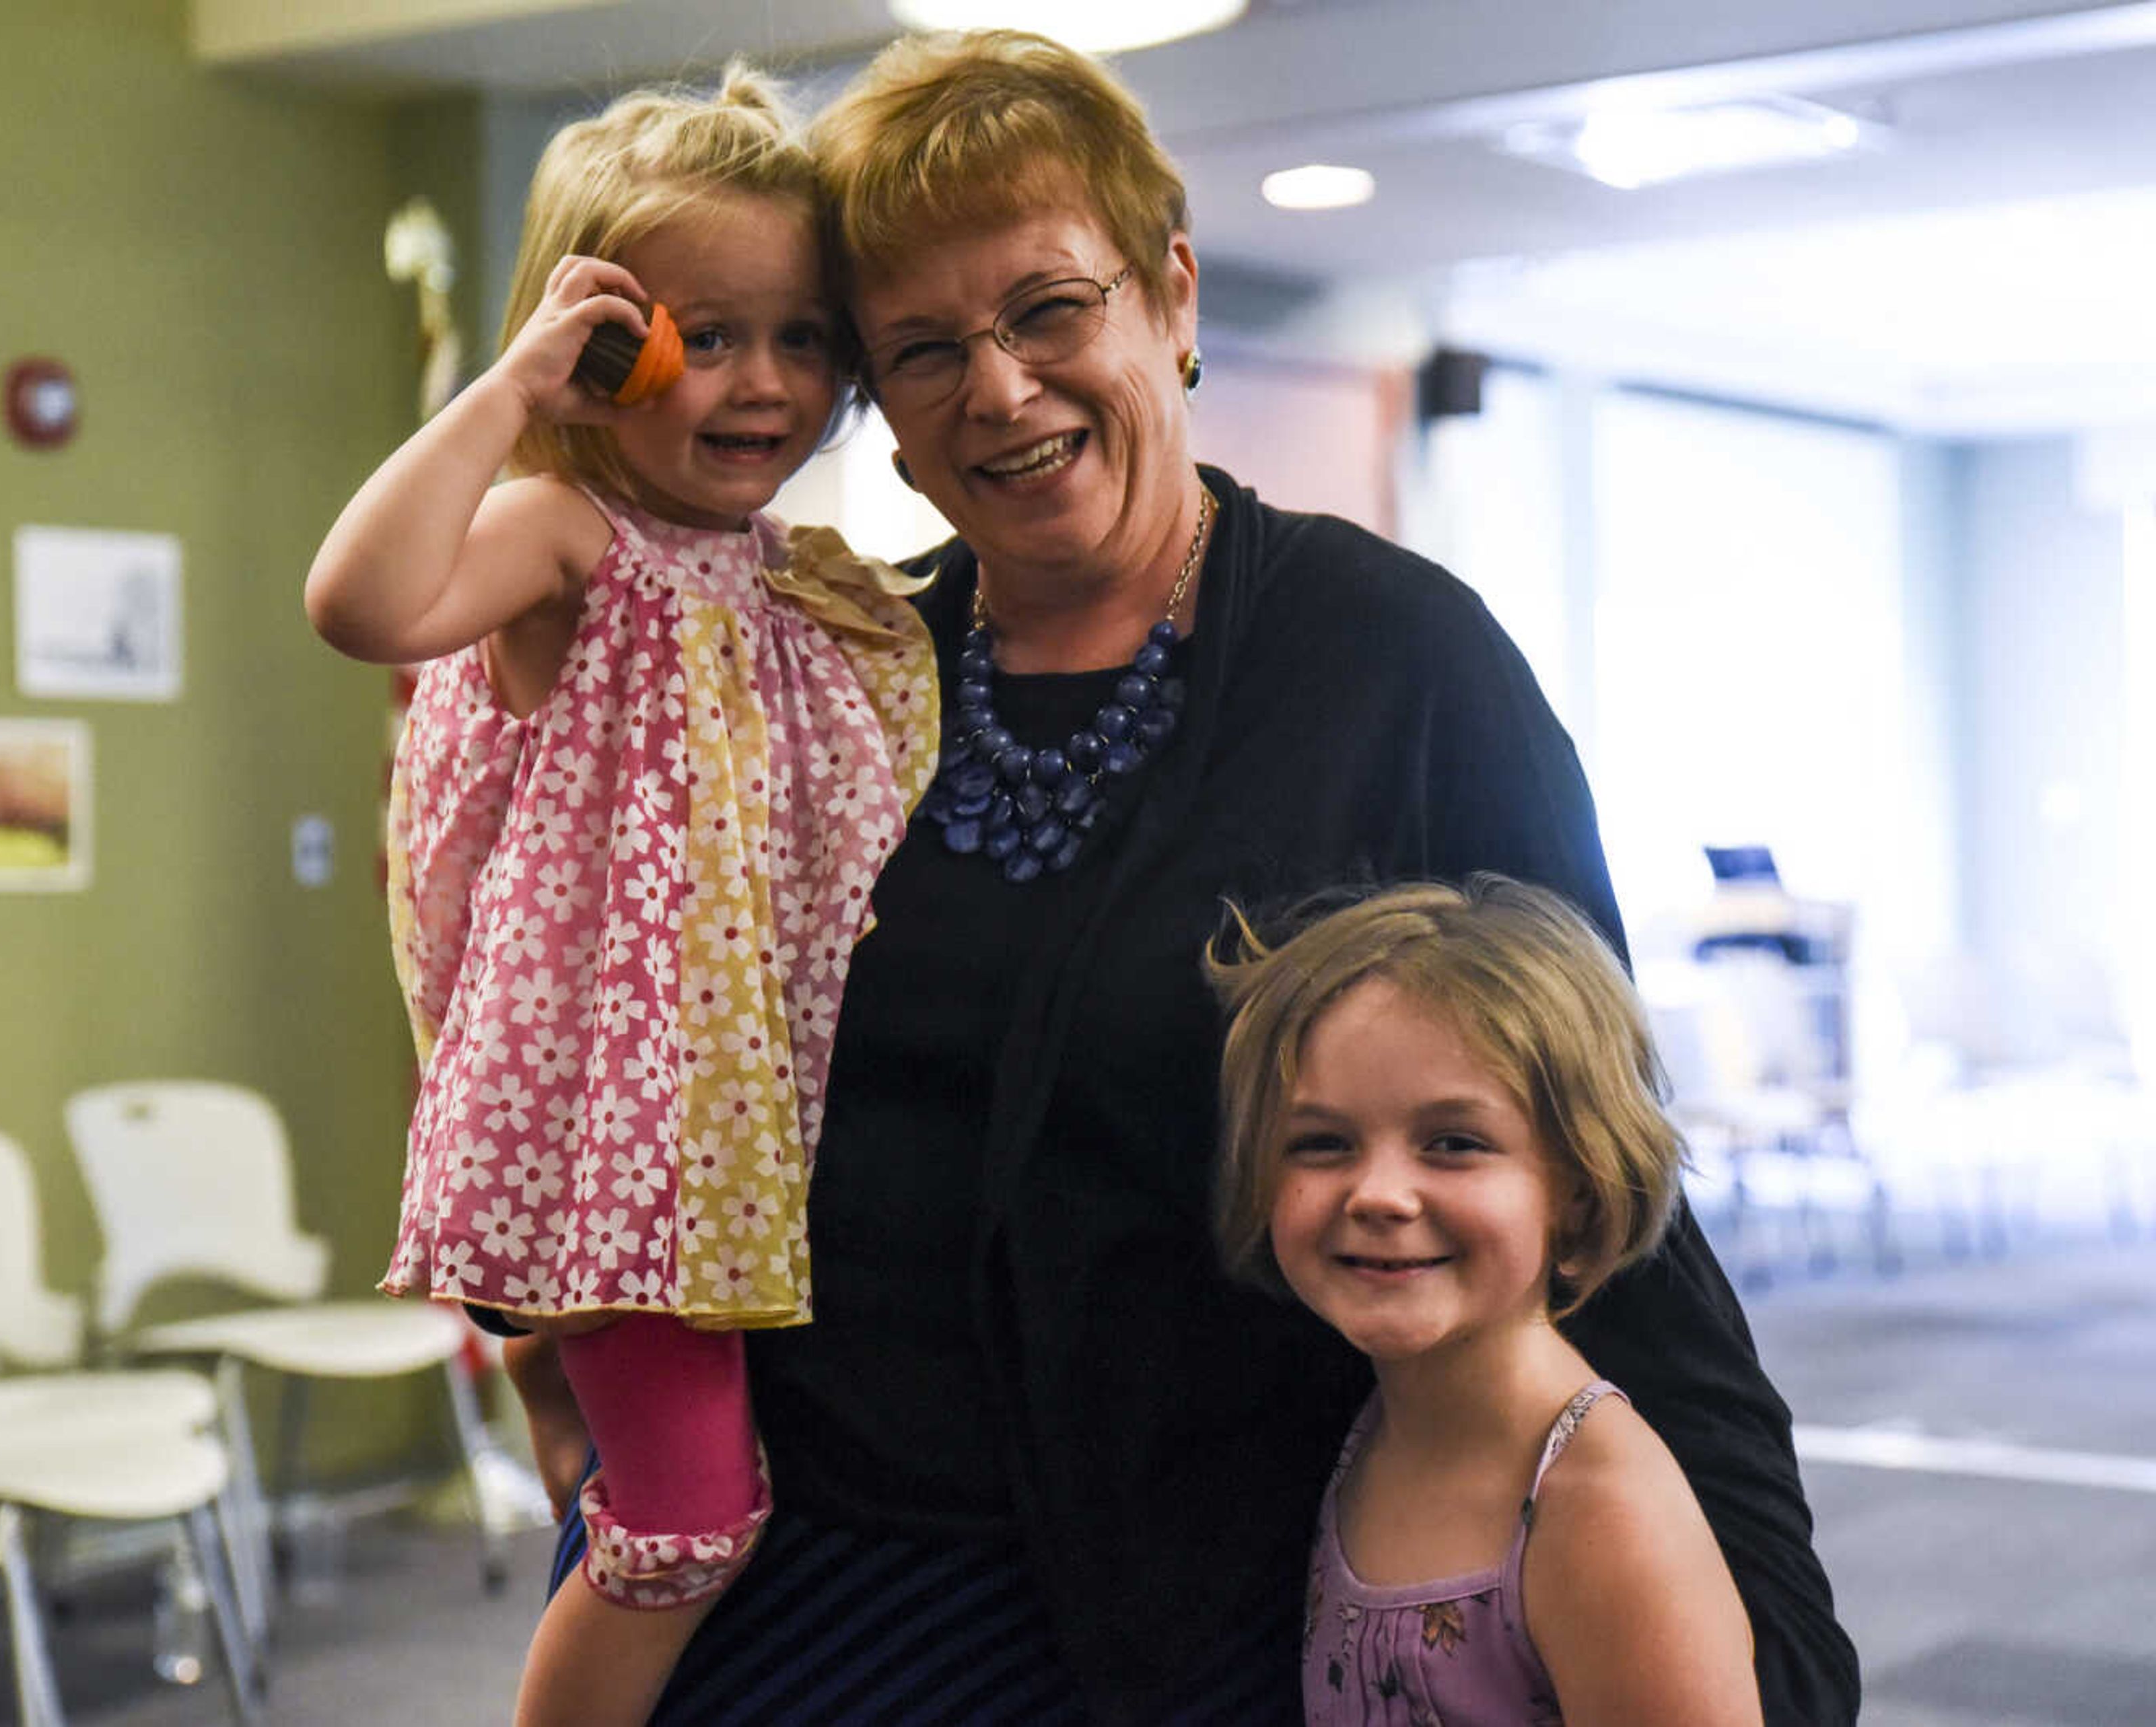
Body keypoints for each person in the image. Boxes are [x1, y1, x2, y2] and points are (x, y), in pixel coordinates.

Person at [506, 28, 1860, 1726]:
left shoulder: (1391, 661)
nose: (995, 389)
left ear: (1171, 296)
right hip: (799, 1566)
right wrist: (546, 1340)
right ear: (878, 410)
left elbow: (1593, 1172)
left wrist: (1769, 1637)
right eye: (920, 348)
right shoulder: (821, 660)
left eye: (1047, 309)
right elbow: (600, 997)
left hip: (1190, 1597)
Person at [304, 64, 937, 1727]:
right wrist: (511, 392)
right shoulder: (562, 531)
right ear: (603, 353)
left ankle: (553, 1406)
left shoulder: (792, 582)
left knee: (643, 1493)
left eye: (803, 338)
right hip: (624, 1150)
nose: (762, 381)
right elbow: (360, 604)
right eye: (701, 335)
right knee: (685, 1523)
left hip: (729, 1138)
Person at [1209, 877, 1764, 1726]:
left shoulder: (1602, 1512)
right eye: (1323, 1143)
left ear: (1577, 1188)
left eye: (1455, 1143)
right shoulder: (1371, 1435)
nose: (1380, 1193)